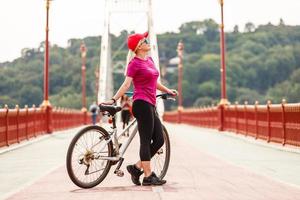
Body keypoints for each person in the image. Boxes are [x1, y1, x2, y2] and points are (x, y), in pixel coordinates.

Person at [101, 31, 177, 186]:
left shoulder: (149, 60)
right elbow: (126, 84)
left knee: (159, 139)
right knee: (145, 140)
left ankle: (136, 168)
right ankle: (148, 176)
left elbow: (154, 82)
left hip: (151, 103)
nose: (148, 42)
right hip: (141, 104)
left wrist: (167, 90)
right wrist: (114, 99)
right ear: (138, 46)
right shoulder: (134, 64)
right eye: (144, 40)